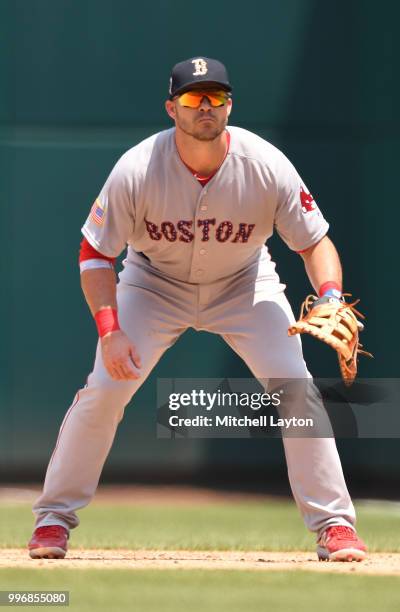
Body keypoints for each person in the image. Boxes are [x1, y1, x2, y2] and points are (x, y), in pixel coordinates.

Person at [28, 56, 367, 562]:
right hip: (153, 284)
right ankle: (53, 519)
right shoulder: (138, 168)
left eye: (217, 96)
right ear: (171, 108)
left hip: (244, 282)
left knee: (296, 388)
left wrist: (333, 295)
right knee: (106, 388)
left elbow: (315, 243)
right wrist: (109, 329)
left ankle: (334, 525)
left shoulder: (265, 164)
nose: (205, 105)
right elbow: (95, 253)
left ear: (230, 105)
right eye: (192, 97)